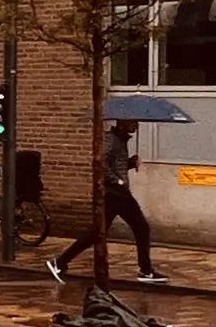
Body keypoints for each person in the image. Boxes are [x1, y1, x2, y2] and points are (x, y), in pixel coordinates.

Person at [50, 113, 163, 287]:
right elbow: (101, 163)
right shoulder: (111, 139)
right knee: (141, 228)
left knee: (98, 233)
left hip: (117, 194)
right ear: (123, 122)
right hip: (115, 194)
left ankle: (60, 262)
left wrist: (131, 163)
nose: (136, 125)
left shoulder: (121, 140)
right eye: (133, 121)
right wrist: (116, 180)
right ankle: (145, 270)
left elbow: (117, 164)